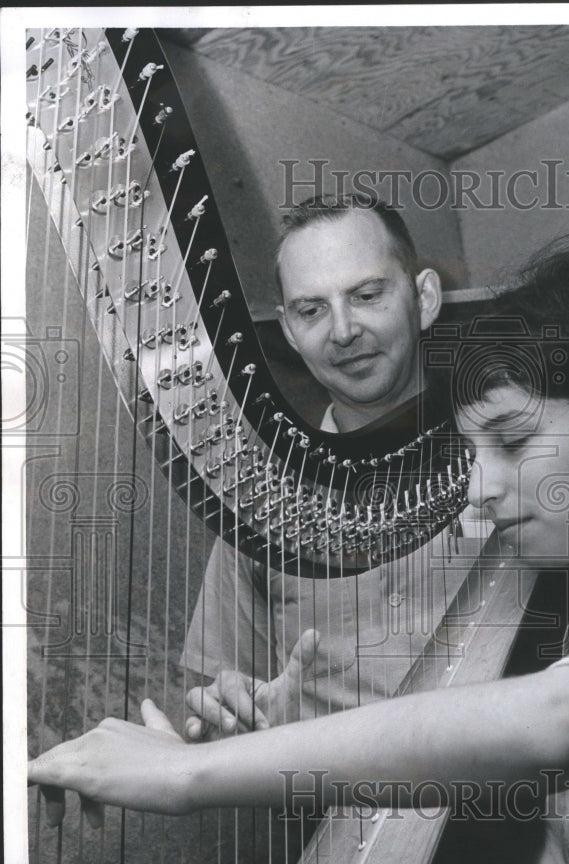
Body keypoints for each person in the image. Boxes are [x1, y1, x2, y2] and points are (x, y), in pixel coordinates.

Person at [29, 238, 569, 864]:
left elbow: (554, 727)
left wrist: (182, 775)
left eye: (513, 444)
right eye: (471, 453)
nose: (479, 491)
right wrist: (286, 739)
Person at [181, 193, 483, 735]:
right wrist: (231, 712)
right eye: (312, 310)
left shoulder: (510, 458)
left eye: (367, 295)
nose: (343, 331)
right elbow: (227, 696)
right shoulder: (259, 500)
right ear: (291, 332)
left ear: (426, 298)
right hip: (335, 818)